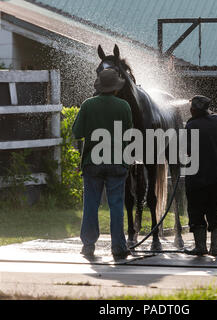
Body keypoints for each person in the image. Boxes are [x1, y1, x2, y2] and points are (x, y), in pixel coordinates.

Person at [72, 69, 133, 260]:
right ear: (115, 89)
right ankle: (118, 248)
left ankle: (88, 246)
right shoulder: (124, 106)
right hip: (116, 161)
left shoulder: (88, 105)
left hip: (93, 161)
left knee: (91, 203)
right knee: (116, 204)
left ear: (99, 87)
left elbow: (77, 132)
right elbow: (129, 134)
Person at [184, 95, 217, 257]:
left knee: (196, 212)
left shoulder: (191, 126)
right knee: (215, 212)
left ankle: (200, 247)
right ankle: (215, 248)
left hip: (197, 179)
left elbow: (187, 151)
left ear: (194, 110)